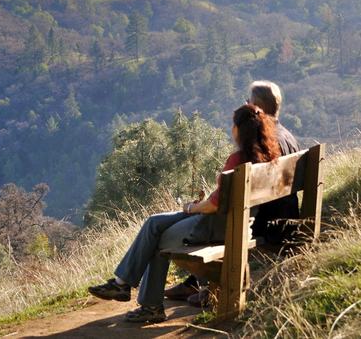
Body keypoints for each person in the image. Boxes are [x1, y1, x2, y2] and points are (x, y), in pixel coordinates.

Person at [88, 103, 281, 323]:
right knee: (153, 222)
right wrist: (201, 205)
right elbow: (221, 201)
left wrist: (191, 208)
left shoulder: (238, 160)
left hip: (212, 226)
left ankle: (148, 305)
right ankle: (122, 285)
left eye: (232, 125)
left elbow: (213, 206)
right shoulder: (266, 157)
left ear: (239, 129)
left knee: (156, 238)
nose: (231, 129)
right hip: (235, 223)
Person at [165, 80, 300, 305]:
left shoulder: (262, 140)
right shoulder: (287, 136)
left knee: (213, 220)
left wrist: (202, 205)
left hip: (263, 221)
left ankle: (205, 285)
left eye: (247, 102)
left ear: (256, 107)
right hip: (286, 215)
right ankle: (196, 283)